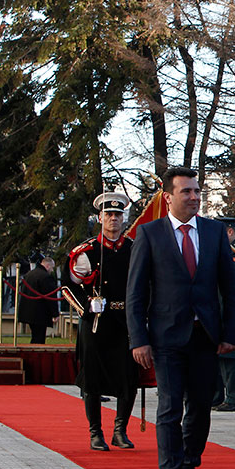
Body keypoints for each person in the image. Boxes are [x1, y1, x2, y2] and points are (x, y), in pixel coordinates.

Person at [126, 167, 235, 469]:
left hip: (205, 336)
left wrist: (230, 333)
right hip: (165, 338)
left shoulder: (214, 232)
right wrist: (139, 339)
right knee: (169, 406)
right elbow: (135, 293)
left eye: (196, 191)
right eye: (186, 192)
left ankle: (190, 464)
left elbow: (229, 288)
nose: (193, 198)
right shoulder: (150, 234)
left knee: (201, 407)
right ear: (168, 197)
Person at [62, 191, 139, 451]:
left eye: (118, 215)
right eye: (109, 215)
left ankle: (121, 430)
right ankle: (96, 432)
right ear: (99, 218)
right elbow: (68, 287)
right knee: (93, 377)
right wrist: (85, 307)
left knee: (128, 376)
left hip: (126, 320)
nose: (113, 219)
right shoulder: (86, 252)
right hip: (96, 322)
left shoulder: (134, 249)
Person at [212, 216, 235, 412]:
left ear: (229, 231)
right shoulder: (223, 251)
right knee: (218, 357)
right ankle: (218, 396)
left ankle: (234, 398)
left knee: (231, 358)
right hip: (218, 307)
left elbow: (229, 276)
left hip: (230, 309)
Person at [17, 256, 60, 344]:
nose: (52, 271)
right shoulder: (46, 277)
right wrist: (55, 313)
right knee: (39, 338)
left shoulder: (29, 274)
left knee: (35, 336)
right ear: (47, 266)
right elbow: (50, 297)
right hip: (39, 313)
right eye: (52, 268)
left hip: (28, 311)